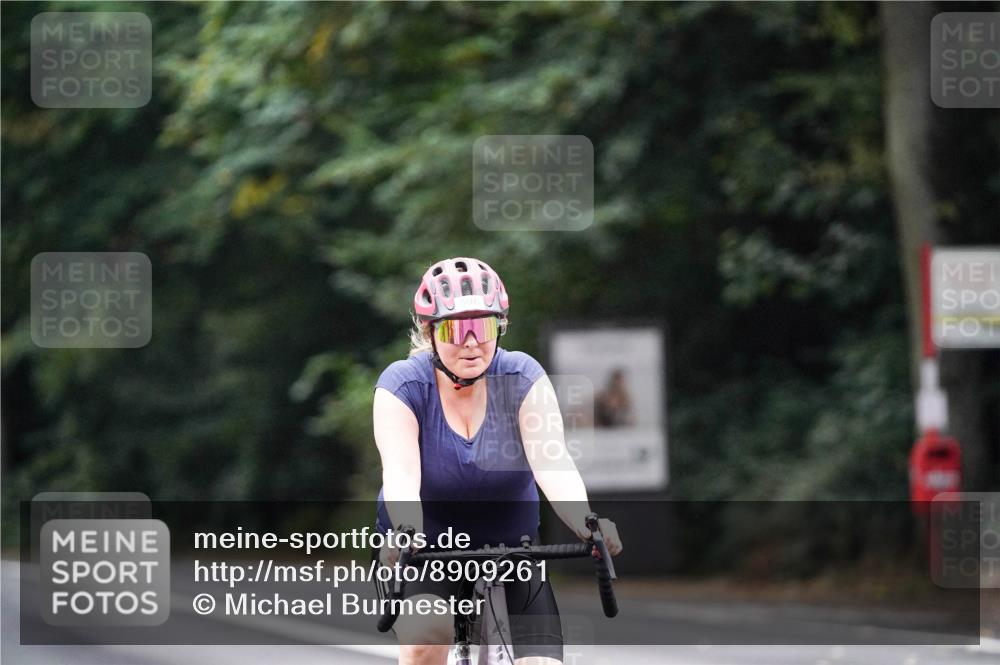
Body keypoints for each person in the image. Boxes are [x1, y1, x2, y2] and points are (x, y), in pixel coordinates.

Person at [373, 257, 623, 665]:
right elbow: (401, 473)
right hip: (425, 547)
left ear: (500, 327)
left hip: (514, 546)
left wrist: (586, 522)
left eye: (484, 327)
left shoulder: (523, 377)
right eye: (456, 329)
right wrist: (405, 533)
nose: (471, 342)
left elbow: (552, 460)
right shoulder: (402, 385)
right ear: (430, 332)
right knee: (426, 641)